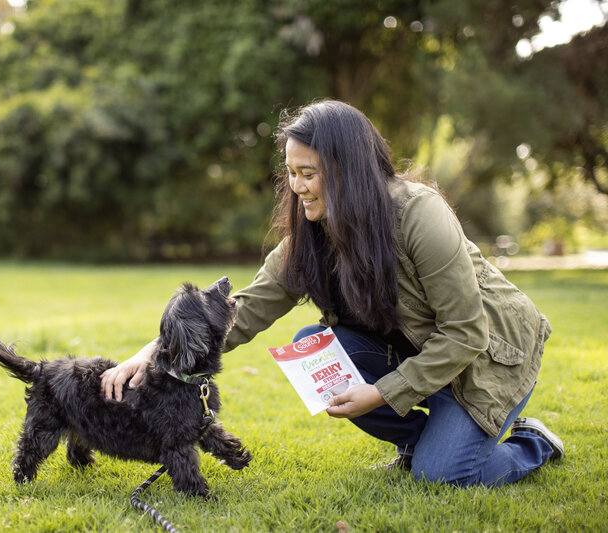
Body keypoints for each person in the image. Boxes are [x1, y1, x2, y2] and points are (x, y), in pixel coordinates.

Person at [101, 99, 563, 487]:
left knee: (442, 476)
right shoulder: (309, 233)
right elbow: (245, 309)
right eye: (291, 173)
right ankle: (420, 441)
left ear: (348, 169)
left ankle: (533, 441)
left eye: (309, 173)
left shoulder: (421, 215)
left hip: (487, 360)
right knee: (312, 348)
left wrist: (379, 394)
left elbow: (464, 334)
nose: (298, 187)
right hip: (415, 355)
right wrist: (152, 353)